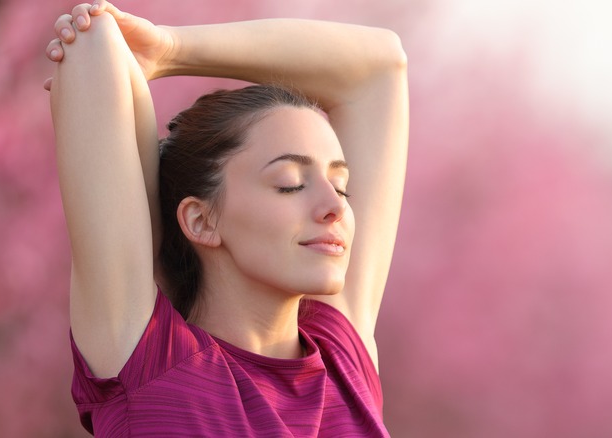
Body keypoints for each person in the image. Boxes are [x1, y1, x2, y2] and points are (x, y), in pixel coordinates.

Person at [45, 1, 407, 436]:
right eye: (291, 183)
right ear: (200, 220)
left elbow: (380, 66)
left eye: (342, 185)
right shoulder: (149, 366)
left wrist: (172, 48)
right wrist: (123, 43)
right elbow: (92, 43)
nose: (336, 206)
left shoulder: (343, 364)